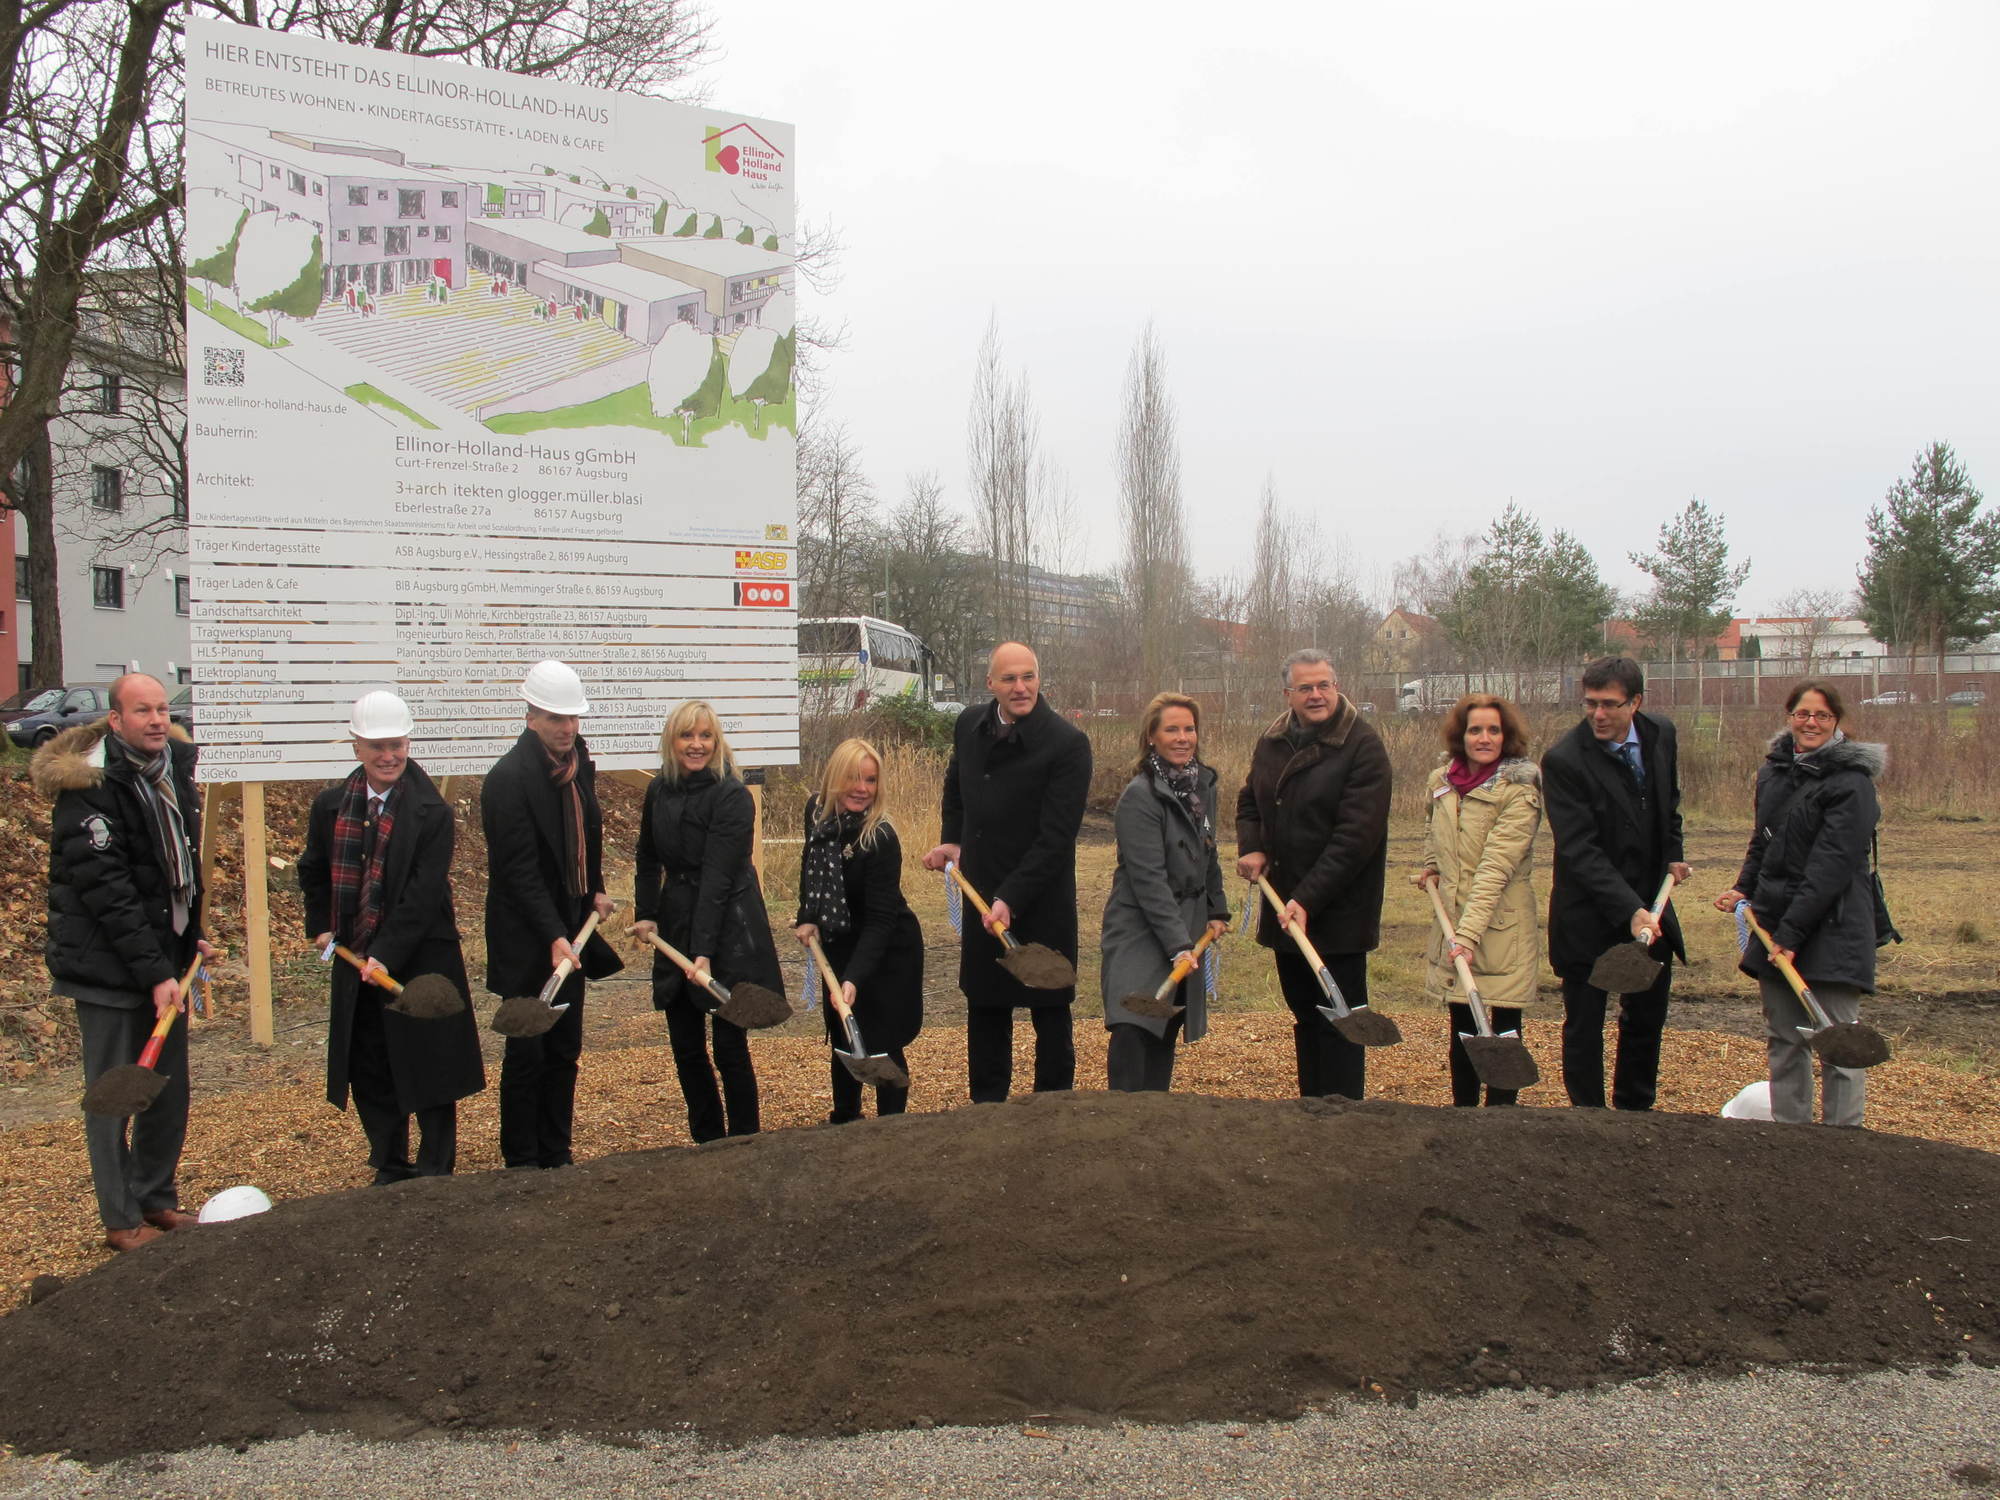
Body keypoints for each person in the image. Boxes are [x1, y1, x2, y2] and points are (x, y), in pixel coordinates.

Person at [32, 673, 213, 1251]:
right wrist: (156, 973)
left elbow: (176, 870)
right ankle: (119, 1219)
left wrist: (193, 938)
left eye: (163, 709)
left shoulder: (171, 775)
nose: (158, 720)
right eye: (143, 711)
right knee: (115, 1094)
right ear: (115, 721)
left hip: (166, 962)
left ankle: (155, 1197)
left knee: (165, 1087)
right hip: (109, 971)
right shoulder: (88, 789)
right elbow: (108, 892)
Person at [299, 691, 484, 1182]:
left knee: (431, 1064)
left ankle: (434, 1165)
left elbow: (423, 896)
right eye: (377, 745)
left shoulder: (433, 812)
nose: (389, 756)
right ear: (357, 746)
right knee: (371, 1063)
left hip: (422, 954)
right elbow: (313, 870)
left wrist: (384, 955)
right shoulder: (331, 806)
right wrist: (320, 924)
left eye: (397, 744)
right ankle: (389, 1161)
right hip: (354, 954)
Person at [923, 642, 1091, 1102]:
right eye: (1010, 679)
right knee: (987, 1003)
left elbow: (1057, 838)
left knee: (1050, 1005)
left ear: (1039, 678)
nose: (1021, 688)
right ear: (990, 684)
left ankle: (1053, 1105)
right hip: (983, 889)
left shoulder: (1068, 744)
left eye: (1029, 677)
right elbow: (955, 788)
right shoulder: (968, 725)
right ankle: (987, 1109)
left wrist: (1012, 896)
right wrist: (952, 840)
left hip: (1042, 897)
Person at [1713, 682, 1884, 1127]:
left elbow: (1831, 867)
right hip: (1774, 924)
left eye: (1822, 716)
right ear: (1789, 717)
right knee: (1785, 1040)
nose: (1811, 723)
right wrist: (1743, 887)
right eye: (1802, 714)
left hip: (1835, 928)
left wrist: (1791, 935)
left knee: (1838, 1044)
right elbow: (1763, 841)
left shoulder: (1852, 784)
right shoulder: (1775, 773)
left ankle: (1842, 1147)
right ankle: (1789, 1145)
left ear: (1836, 723)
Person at [481, 660, 621, 1169]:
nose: (566, 728)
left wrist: (595, 892)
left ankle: (556, 1152)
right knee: (527, 1050)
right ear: (531, 716)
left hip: (569, 927)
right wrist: (551, 934)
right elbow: (517, 871)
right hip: (525, 935)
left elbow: (589, 837)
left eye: (573, 718)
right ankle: (520, 1159)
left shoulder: (578, 766)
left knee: (563, 1048)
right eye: (556, 718)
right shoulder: (507, 780)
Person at [1235, 649, 1392, 1100]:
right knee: (1304, 1015)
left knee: (1340, 1021)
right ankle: (1312, 1112)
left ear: (1337, 686)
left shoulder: (1362, 746)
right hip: (1286, 907)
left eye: (1324, 684)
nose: (1316, 694)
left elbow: (1355, 838)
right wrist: (1253, 847)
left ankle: (1343, 1118)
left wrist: (1308, 898)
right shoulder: (1272, 741)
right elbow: (1250, 800)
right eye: (1306, 687)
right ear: (1288, 694)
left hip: (1337, 914)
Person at [1541, 657, 1692, 1111]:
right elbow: (1580, 850)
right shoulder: (1565, 760)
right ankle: (1590, 1120)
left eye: (1610, 704)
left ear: (1636, 702)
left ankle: (1635, 1110)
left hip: (1651, 903)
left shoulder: (1659, 734)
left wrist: (1673, 853)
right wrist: (1629, 911)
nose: (1598, 715)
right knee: (1585, 1023)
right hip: (1589, 910)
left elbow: (1669, 803)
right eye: (1590, 704)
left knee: (1646, 1017)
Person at [632, 701, 784, 1142]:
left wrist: (703, 952)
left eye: (705, 736)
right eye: (687, 736)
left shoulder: (732, 796)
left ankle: (743, 1140)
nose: (696, 745)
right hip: (677, 919)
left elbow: (718, 878)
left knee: (729, 1045)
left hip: (728, 926)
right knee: (685, 1045)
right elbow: (647, 856)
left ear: (717, 743)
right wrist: (646, 913)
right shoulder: (659, 789)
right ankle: (707, 1139)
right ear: (672, 741)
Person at [1099, 693, 1229, 1092]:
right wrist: (1177, 944)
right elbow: (1147, 879)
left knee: (1166, 1022)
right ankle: (1123, 1118)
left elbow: (1207, 852)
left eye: (1189, 728)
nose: (1182, 737)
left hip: (1185, 924)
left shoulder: (1202, 786)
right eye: (1171, 729)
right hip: (1138, 927)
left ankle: (1154, 1120)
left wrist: (1217, 909)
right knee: (1133, 1021)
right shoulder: (1140, 797)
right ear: (1151, 736)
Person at [1418, 694, 1543, 1107]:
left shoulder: (1519, 789)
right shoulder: (1442, 782)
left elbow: (1496, 869)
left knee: (1503, 1027)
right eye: (1475, 730)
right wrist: (1432, 866)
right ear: (1462, 734)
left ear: (1506, 737)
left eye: (1493, 730)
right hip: (1454, 920)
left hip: (1501, 926)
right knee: (1462, 1027)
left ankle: (1502, 1120)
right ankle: (1464, 1118)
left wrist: (1468, 936)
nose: (1484, 738)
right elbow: (1431, 830)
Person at [792, 737, 924, 1121]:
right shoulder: (817, 812)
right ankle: (845, 1120)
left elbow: (882, 920)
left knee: (880, 1040)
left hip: (887, 949)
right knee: (843, 1034)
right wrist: (807, 914)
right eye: (853, 777)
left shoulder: (880, 837)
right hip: (839, 936)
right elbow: (810, 865)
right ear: (835, 777)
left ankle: (891, 1129)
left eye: (870, 780)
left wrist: (854, 978)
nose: (862, 789)